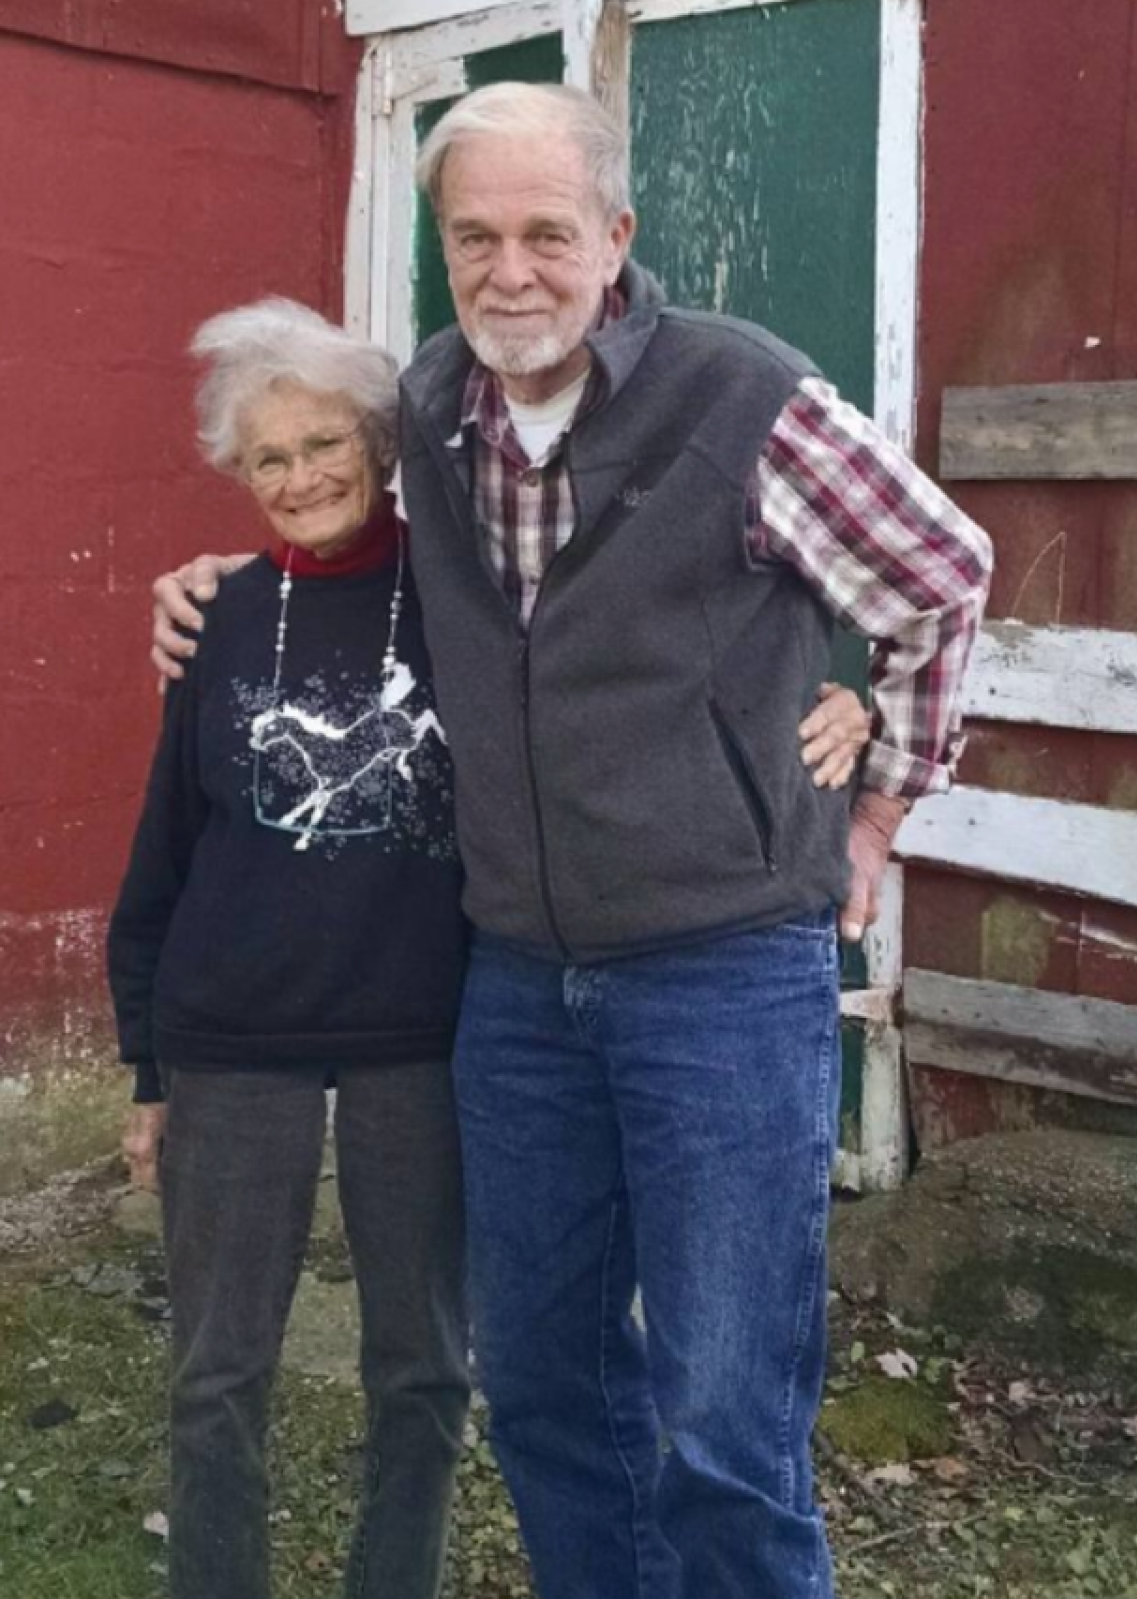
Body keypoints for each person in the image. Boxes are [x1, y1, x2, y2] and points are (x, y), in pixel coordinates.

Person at [151, 83, 992, 1599]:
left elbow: (940, 573)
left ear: (617, 236)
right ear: (442, 245)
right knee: (542, 1387)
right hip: (519, 990)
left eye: (548, 231)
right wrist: (228, 585)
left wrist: (879, 795)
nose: (511, 269)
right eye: (475, 235)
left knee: (725, 1417)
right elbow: (323, 508)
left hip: (722, 973)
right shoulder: (426, 411)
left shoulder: (741, 397)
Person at [108, 300, 471, 1599]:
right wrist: (146, 1060)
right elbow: (168, 844)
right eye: (271, 458)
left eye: (326, 444)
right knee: (218, 1372)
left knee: (422, 1365)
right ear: (240, 474)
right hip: (231, 1038)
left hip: (418, 1038)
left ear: (377, 446)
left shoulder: (460, 597)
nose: (303, 476)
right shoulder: (214, 616)